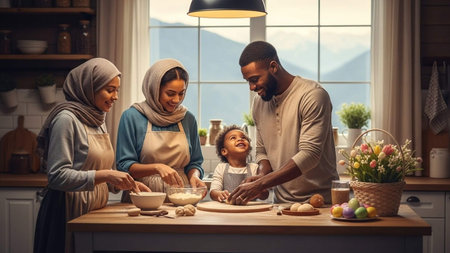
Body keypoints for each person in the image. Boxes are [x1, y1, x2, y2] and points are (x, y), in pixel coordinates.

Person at [34, 58, 150, 253]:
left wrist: (125, 183)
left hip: (93, 208)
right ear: (89, 87)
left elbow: (97, 168)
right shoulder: (66, 119)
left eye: (117, 90)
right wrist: (106, 175)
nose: (115, 96)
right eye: (109, 89)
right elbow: (56, 176)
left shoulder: (96, 118)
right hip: (67, 209)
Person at [229, 41, 339, 205]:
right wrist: (261, 176)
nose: (251, 87)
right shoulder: (259, 104)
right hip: (281, 205)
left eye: (255, 79)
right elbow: (262, 151)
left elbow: (309, 155)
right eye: (248, 81)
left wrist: (261, 183)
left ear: (273, 67)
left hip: (321, 203)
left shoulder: (312, 96)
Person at [116, 58, 206, 199]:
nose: (176, 100)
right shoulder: (132, 117)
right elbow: (123, 166)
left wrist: (195, 176)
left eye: (181, 93)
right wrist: (157, 167)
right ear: (154, 89)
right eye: (170, 93)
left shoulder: (188, 119)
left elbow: (194, 162)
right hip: (143, 195)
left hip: (180, 196)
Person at [209, 125, 268, 202]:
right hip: (228, 211)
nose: (240, 139)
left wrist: (260, 192)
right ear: (224, 151)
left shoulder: (254, 168)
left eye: (243, 137)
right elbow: (213, 191)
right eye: (233, 138)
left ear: (249, 148)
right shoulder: (221, 168)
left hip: (250, 210)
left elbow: (265, 195)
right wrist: (219, 194)